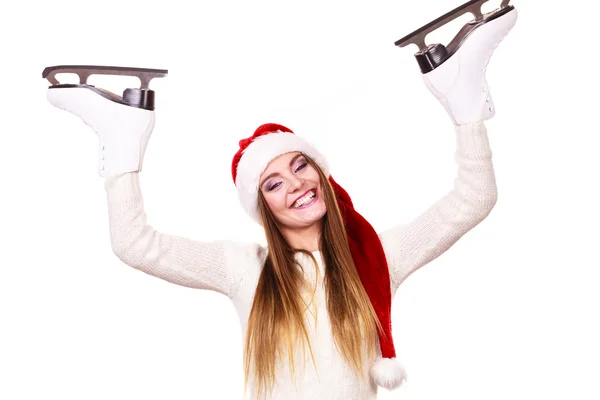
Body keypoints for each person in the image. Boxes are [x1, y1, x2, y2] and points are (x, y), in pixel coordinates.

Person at [44, 7, 518, 400]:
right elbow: (134, 244)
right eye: (271, 184)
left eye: (299, 166)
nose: (293, 185)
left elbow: (474, 197)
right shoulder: (243, 268)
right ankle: (123, 120)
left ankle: (453, 76)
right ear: (263, 207)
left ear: (321, 174)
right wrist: (123, 153)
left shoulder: (377, 257)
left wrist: (466, 112)